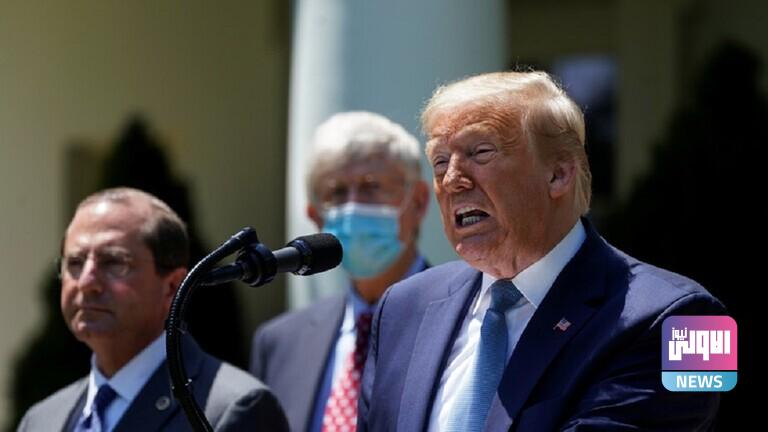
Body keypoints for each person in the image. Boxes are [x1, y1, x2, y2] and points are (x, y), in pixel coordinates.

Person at [358, 71, 725, 431]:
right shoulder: (402, 308)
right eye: (440, 161)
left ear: (558, 173)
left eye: (480, 152)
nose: (452, 179)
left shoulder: (693, 322)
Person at [18, 188, 288, 431]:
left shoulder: (231, 408)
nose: (87, 282)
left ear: (171, 287)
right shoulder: (41, 419)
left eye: (113, 262)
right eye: (75, 262)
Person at [250, 111, 430, 432]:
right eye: (336, 193)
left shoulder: (467, 322)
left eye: (371, 187)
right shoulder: (279, 342)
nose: (352, 206)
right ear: (315, 216)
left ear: (418, 202)